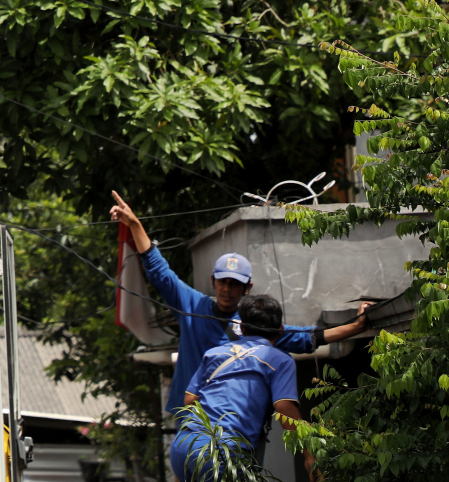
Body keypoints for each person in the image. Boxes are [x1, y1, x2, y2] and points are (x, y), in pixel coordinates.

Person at [110, 190, 370, 417]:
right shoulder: (192, 305)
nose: (227, 289)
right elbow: (159, 271)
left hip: (235, 421)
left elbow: (308, 337)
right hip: (191, 414)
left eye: (234, 284)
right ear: (213, 281)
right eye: (223, 281)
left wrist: (356, 327)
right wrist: (135, 225)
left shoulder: (254, 323)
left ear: (248, 288)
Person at [171, 294, 305, 481]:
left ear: (241, 328)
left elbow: (190, 399)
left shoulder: (214, 353)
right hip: (223, 453)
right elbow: (284, 408)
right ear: (281, 330)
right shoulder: (280, 360)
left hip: (184, 444)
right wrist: (309, 454)